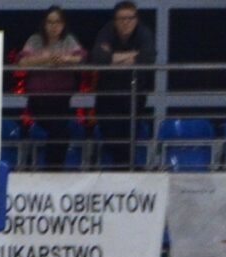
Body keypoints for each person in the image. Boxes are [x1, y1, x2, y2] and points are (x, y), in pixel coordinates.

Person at [90, 1, 157, 167]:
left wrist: (113, 57)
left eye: (130, 18)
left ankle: (124, 172)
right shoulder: (106, 31)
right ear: (115, 20)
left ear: (136, 19)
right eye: (121, 19)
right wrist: (131, 55)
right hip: (107, 95)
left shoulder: (144, 33)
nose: (126, 22)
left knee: (128, 137)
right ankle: (126, 170)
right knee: (111, 135)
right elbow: (98, 58)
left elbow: (147, 58)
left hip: (134, 95)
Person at [19, 6, 87, 158]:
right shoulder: (35, 40)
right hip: (38, 99)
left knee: (60, 133)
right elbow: (22, 61)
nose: (54, 26)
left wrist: (65, 59)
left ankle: (53, 167)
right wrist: (44, 59)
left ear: (63, 24)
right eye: (50, 22)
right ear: (44, 24)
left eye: (57, 22)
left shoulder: (68, 40)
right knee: (59, 133)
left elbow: (82, 57)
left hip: (61, 99)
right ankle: (52, 167)